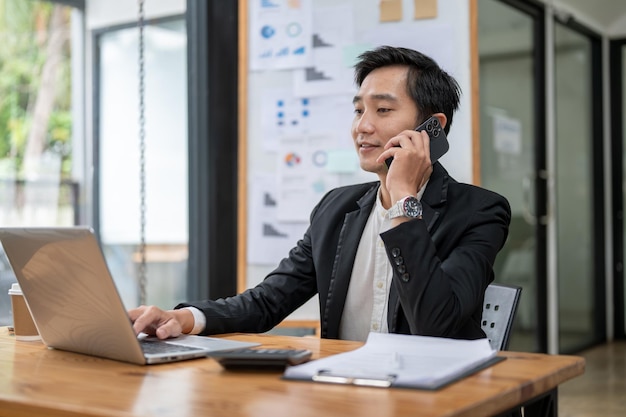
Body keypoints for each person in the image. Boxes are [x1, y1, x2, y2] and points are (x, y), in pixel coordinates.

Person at [129, 46, 511, 342]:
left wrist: (404, 201)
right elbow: (267, 301)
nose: (362, 126)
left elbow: (436, 324)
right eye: (359, 110)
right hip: (343, 393)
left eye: (382, 110)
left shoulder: (480, 211)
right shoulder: (336, 208)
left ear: (432, 128)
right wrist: (184, 318)